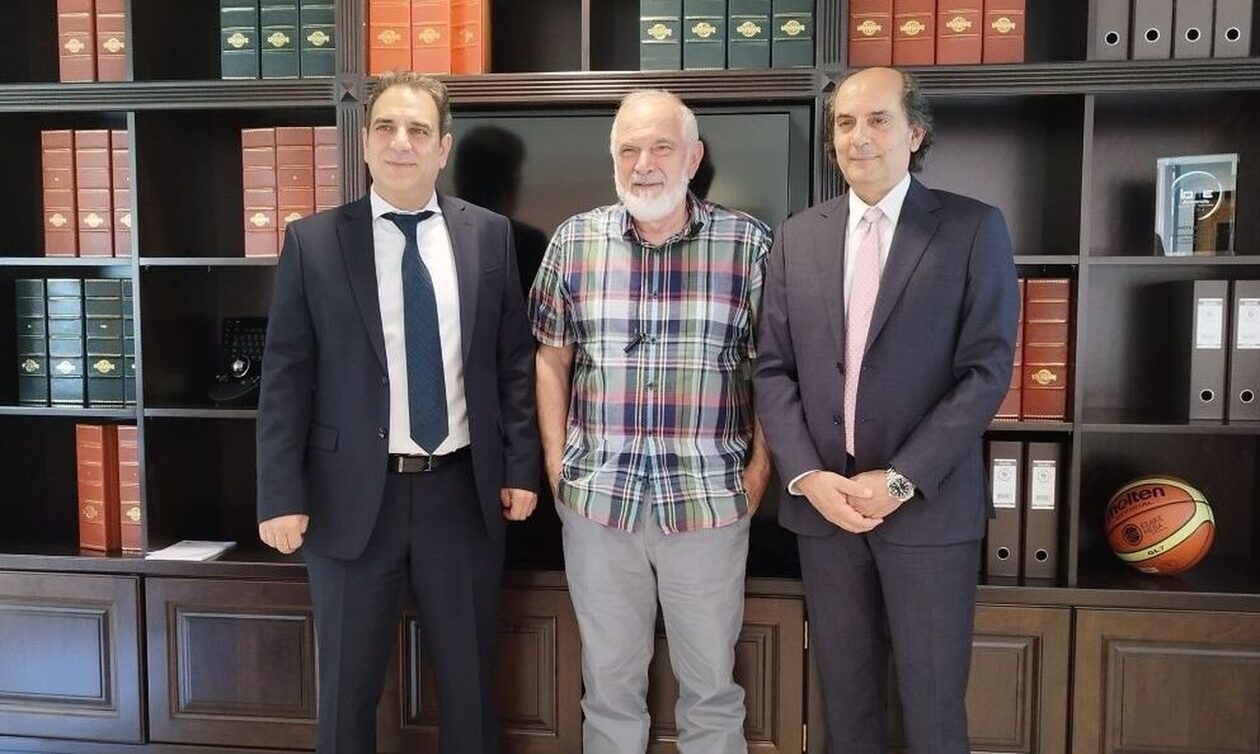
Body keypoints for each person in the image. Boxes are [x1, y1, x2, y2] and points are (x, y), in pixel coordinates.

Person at [255, 71, 539, 754]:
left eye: (417, 130)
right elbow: (285, 377)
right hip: (349, 498)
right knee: (346, 694)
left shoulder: (490, 236)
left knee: (469, 689)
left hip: (462, 495)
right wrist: (280, 495)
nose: (400, 142)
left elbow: (512, 363)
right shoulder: (314, 242)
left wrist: (521, 469)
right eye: (385, 127)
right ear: (364, 143)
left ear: (443, 148)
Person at [752, 67, 1019, 753]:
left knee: (932, 711)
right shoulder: (797, 237)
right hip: (825, 512)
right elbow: (773, 370)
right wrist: (808, 477)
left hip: (927, 512)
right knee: (847, 710)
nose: (858, 137)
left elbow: (986, 373)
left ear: (915, 133)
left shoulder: (972, 228)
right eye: (845, 123)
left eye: (877, 120)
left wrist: (899, 480)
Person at [529, 89, 772, 753]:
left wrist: (758, 473)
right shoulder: (575, 241)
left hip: (708, 503)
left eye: (661, 147)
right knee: (608, 689)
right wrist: (556, 465)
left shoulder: (747, 244)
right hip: (598, 504)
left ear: (692, 157)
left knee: (712, 690)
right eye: (628, 150)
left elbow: (776, 370)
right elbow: (550, 358)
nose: (643, 164)